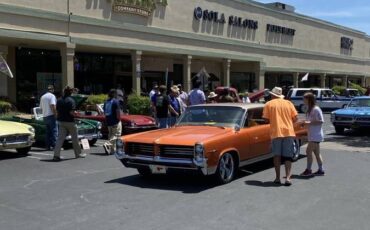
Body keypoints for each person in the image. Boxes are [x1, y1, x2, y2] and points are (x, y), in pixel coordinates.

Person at [262, 86, 298, 186]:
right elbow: (295, 118)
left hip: (276, 132)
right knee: (288, 157)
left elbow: (266, 119)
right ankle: (288, 178)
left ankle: (277, 178)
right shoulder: (288, 103)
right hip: (288, 132)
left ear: (272, 95)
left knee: (277, 156)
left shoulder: (268, 104)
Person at [53, 86, 86, 161]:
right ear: (71, 92)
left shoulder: (59, 100)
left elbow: (57, 111)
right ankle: (78, 154)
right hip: (70, 122)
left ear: (64, 92)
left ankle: (56, 155)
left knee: (60, 139)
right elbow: (71, 112)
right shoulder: (71, 100)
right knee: (75, 139)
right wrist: (77, 114)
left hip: (61, 122)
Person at [300, 92, 325, 176]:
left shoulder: (316, 109)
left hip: (316, 135)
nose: (303, 100)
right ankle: (321, 170)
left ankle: (309, 169)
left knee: (308, 151)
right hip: (312, 135)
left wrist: (308, 122)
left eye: (304, 99)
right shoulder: (310, 109)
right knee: (317, 153)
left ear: (309, 99)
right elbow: (310, 121)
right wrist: (305, 122)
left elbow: (321, 121)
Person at [103, 89, 122, 155]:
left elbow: (104, 112)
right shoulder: (116, 102)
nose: (117, 95)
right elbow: (117, 112)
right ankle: (107, 144)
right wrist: (119, 119)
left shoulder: (106, 102)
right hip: (115, 121)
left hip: (108, 121)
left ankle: (112, 150)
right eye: (116, 94)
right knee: (117, 135)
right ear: (114, 94)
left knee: (111, 135)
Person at [40, 85, 57, 150]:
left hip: (45, 116)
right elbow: (53, 105)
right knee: (54, 131)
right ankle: (55, 146)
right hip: (51, 115)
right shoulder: (52, 96)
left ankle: (47, 146)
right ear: (52, 90)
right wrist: (55, 114)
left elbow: (41, 108)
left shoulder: (42, 97)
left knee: (48, 132)